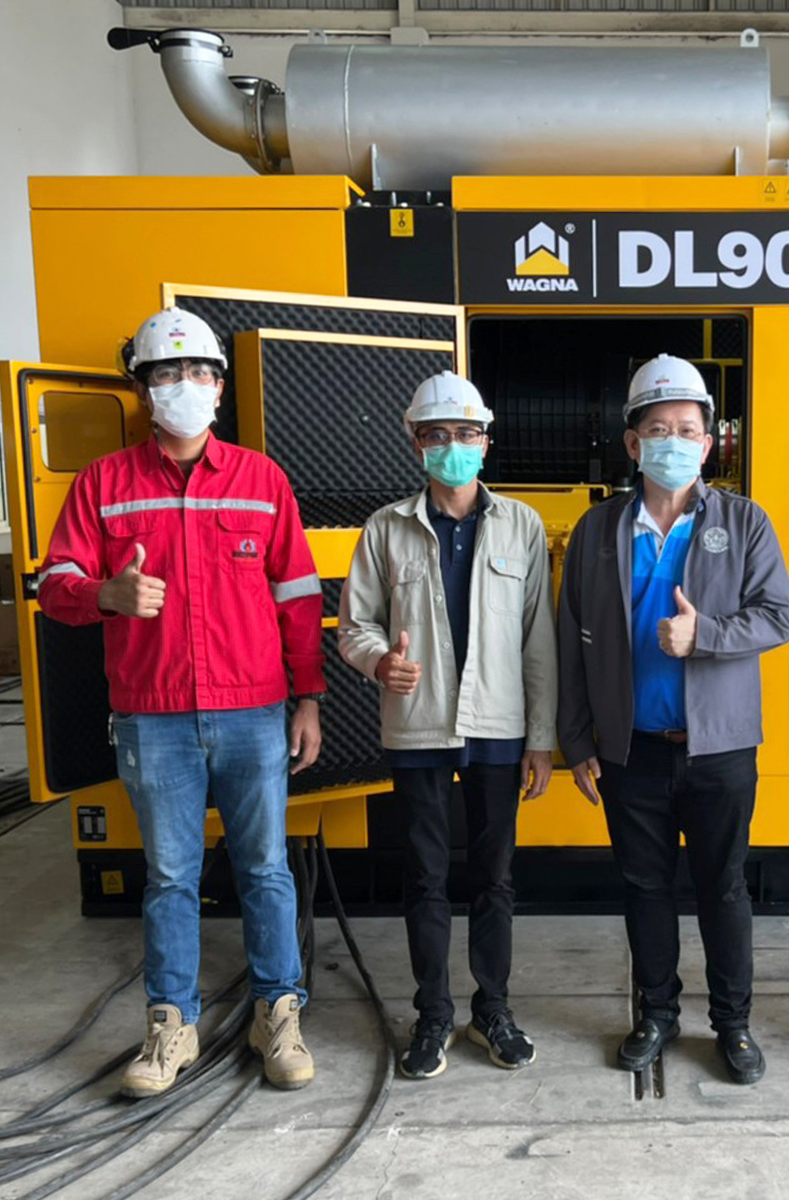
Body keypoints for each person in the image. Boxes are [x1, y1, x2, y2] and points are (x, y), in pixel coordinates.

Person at [38, 306, 323, 1097]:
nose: (185, 384)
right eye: (168, 372)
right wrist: (106, 594)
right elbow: (54, 584)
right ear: (143, 389)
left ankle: (279, 1015)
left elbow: (298, 597)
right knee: (168, 876)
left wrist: (308, 699)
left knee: (266, 869)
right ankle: (171, 1025)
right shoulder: (103, 484)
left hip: (254, 711)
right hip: (152, 716)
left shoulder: (262, 481)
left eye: (199, 371)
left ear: (221, 389)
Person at [556, 354, 789, 1086]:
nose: (674, 441)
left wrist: (706, 635)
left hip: (720, 748)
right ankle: (656, 1013)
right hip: (631, 751)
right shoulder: (599, 530)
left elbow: (778, 616)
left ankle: (733, 1024)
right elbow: (570, 638)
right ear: (633, 443)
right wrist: (576, 738)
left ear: (710, 442)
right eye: (658, 429)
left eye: (688, 429)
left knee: (724, 888)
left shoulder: (743, 521)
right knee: (645, 888)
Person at [338, 371, 556, 1080]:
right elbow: (354, 625)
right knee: (425, 877)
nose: (453, 446)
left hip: (498, 725)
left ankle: (492, 1009)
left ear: (486, 443)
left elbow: (539, 640)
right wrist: (380, 662)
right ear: (416, 444)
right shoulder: (386, 528)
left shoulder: (521, 525)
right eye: (437, 435)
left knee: (494, 877)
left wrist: (541, 739)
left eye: (466, 434)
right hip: (419, 727)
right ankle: (433, 1013)